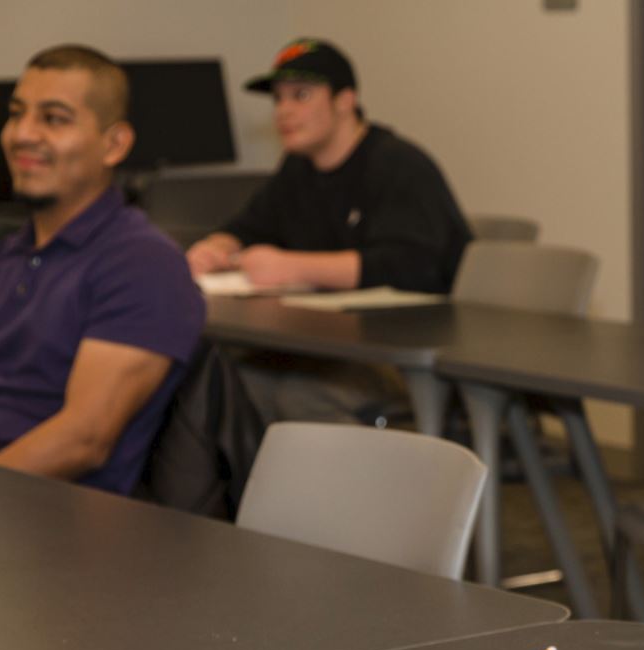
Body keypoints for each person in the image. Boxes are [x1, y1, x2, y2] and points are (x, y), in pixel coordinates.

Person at [185, 38, 470, 422]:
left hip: (408, 350)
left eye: (300, 96)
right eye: (278, 100)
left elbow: (410, 267)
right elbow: (249, 226)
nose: (284, 111)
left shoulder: (397, 164)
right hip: (332, 342)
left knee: (304, 397)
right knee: (234, 379)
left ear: (344, 100)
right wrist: (215, 246)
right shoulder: (298, 168)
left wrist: (294, 267)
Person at [0, 45, 204, 494]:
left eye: (54, 119)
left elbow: (83, 439)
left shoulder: (142, 264)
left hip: (36, 515)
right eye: (17, 114)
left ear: (114, 144)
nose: (22, 134)